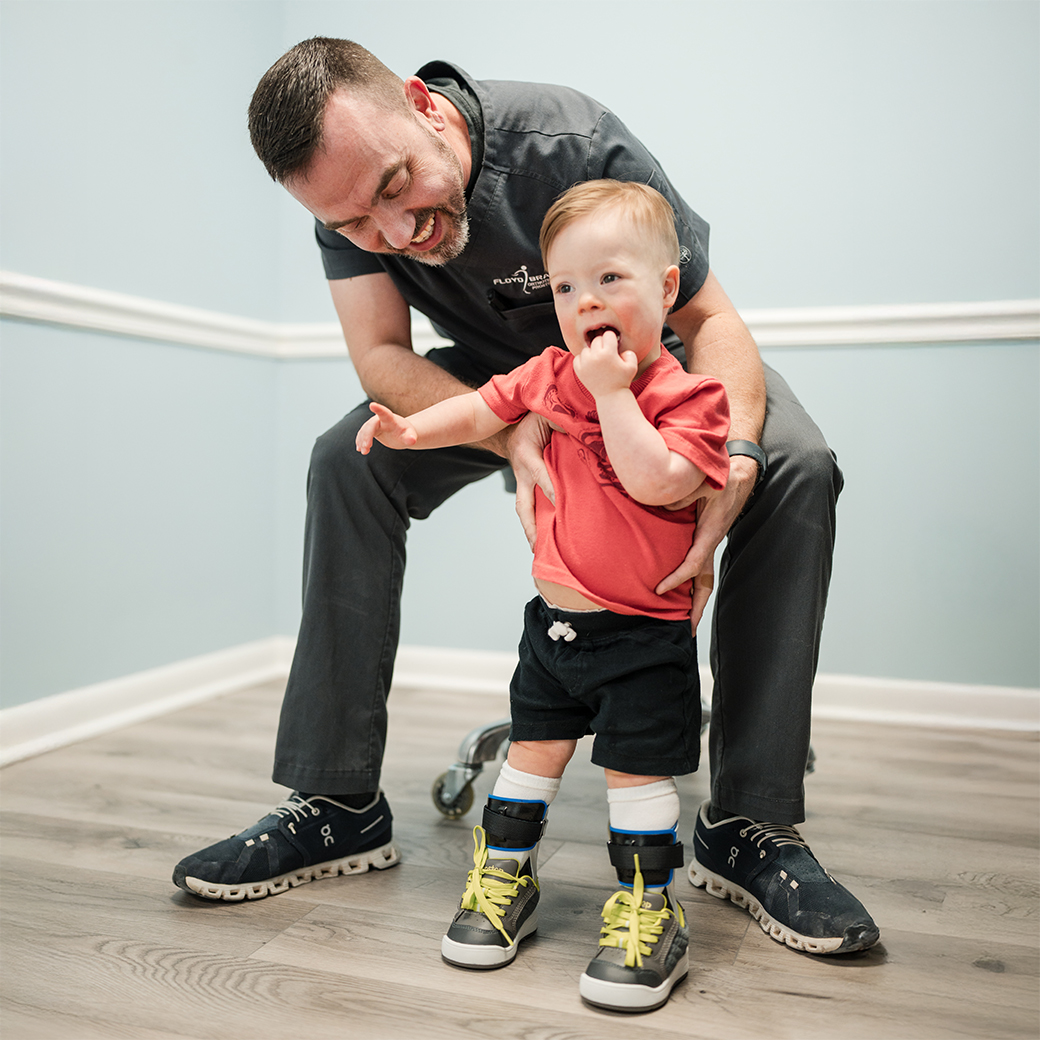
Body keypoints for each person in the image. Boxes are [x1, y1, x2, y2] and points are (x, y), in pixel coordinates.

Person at [173, 37, 879, 961]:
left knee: (795, 462)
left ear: (426, 108)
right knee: (346, 460)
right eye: (353, 223)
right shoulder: (346, 207)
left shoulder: (571, 140)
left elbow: (709, 320)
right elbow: (384, 359)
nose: (390, 234)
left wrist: (735, 454)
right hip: (509, 383)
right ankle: (337, 801)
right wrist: (515, 431)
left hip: (643, 371)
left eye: (394, 188)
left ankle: (749, 822)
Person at [356, 179, 730, 1011]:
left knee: (636, 781)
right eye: (564, 287)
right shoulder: (551, 373)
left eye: (609, 279)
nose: (583, 301)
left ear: (666, 289)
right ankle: (505, 880)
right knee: (528, 765)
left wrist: (610, 394)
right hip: (554, 634)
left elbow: (661, 480)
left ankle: (646, 908)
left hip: (643, 638)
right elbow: (483, 405)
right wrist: (414, 431)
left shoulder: (689, 396)